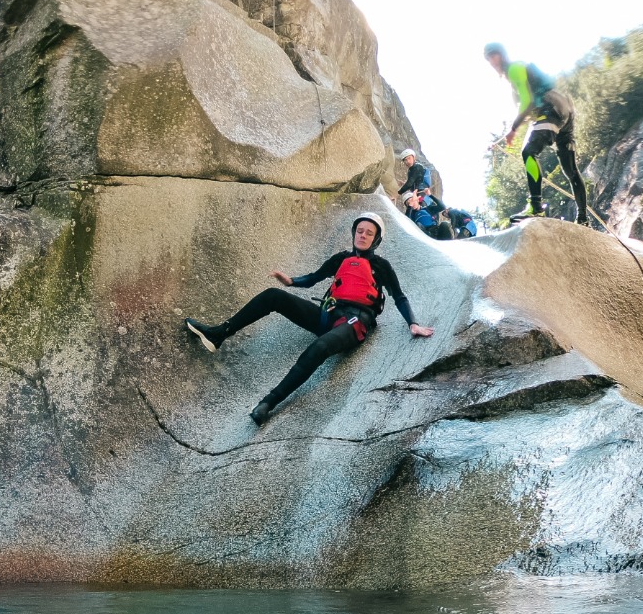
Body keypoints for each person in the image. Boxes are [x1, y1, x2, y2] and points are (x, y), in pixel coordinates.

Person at [184, 213, 434, 425]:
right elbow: (315, 277)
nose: (363, 235)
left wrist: (413, 323)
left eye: (369, 233)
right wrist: (292, 282)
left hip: (354, 322)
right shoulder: (341, 259)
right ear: (354, 233)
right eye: (360, 230)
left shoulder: (382, 266)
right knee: (274, 295)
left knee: (321, 346)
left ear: (377, 239)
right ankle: (218, 334)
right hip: (327, 315)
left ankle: (268, 403)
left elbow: (399, 297)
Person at [483, 42, 589, 226]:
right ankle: (583, 219)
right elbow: (528, 109)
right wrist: (512, 132)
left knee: (528, 152)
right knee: (569, 170)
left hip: (550, 108)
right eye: (489, 58)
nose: (492, 61)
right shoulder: (517, 74)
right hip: (563, 110)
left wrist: (513, 128)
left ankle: (536, 207)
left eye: (494, 55)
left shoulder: (514, 69)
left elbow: (528, 102)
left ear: (502, 54)